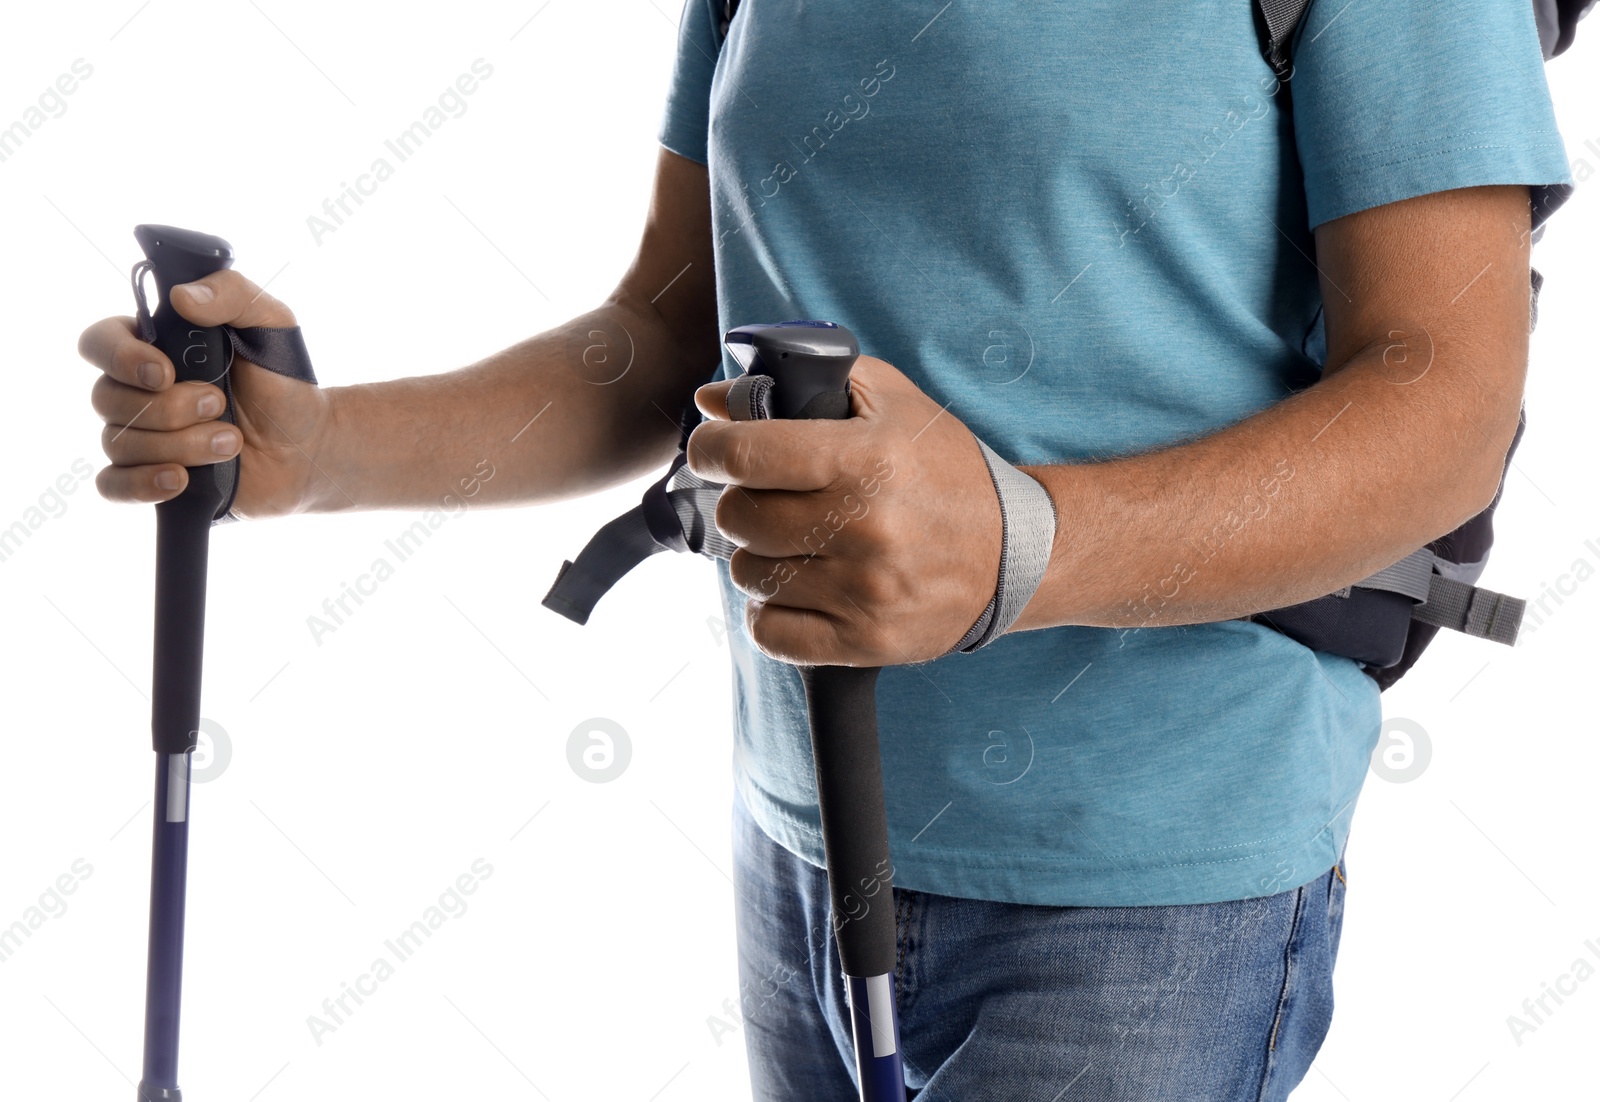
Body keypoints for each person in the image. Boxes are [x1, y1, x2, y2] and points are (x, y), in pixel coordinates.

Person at [81, 1, 1573, 1097]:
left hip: (1152, 883)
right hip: (806, 833)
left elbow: (1443, 398)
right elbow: (662, 337)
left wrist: (1017, 539)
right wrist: (315, 449)